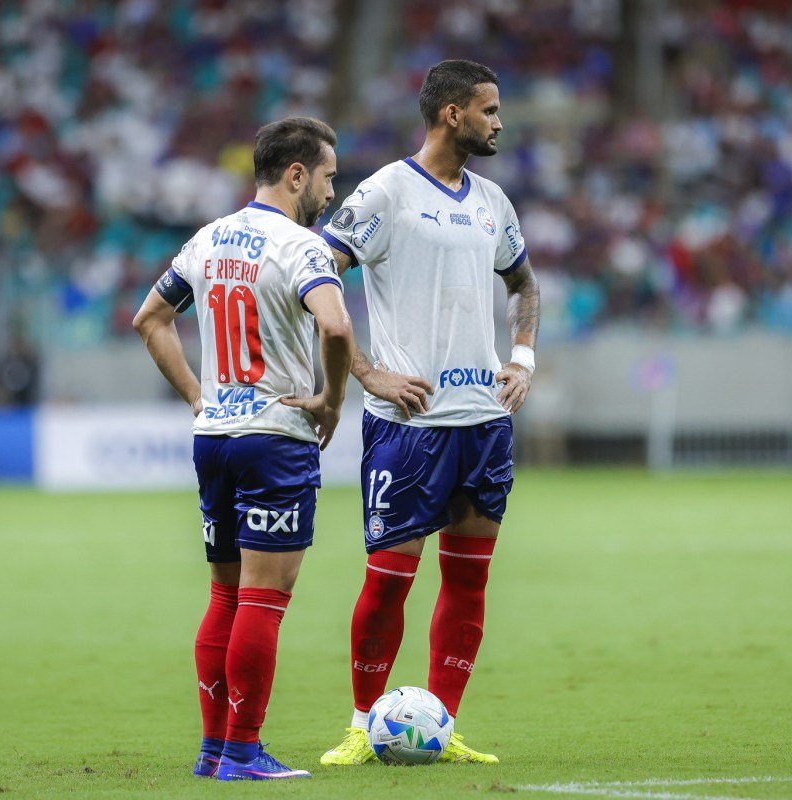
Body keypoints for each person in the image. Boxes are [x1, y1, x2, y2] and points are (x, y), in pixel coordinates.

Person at [318, 60, 540, 765]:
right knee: (388, 584)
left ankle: (441, 727)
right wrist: (366, 370)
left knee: (469, 581)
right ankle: (361, 725)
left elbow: (526, 287)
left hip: (483, 421)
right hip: (410, 428)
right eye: (489, 109)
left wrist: (524, 356)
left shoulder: (493, 202)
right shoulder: (386, 192)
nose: (499, 122)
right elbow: (317, 272)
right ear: (451, 114)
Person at [132, 117, 354, 781]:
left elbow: (150, 318)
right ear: (296, 175)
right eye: (328, 177)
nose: (331, 191)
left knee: (225, 595)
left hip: (215, 440)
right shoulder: (301, 245)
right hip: (274, 437)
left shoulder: (206, 240)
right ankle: (244, 750)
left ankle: (212, 748)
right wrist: (333, 400)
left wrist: (200, 397)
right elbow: (337, 325)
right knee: (263, 599)